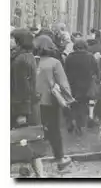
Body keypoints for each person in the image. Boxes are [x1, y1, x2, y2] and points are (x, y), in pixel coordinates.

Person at [34, 35, 73, 171]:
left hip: (33, 103)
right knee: (54, 130)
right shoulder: (54, 62)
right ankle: (60, 158)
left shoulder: (32, 61)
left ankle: (33, 161)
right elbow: (63, 83)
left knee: (34, 131)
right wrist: (69, 100)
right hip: (50, 101)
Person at [11, 29, 44, 177]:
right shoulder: (27, 56)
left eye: (12, 38)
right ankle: (39, 175)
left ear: (19, 41)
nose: (9, 41)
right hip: (29, 105)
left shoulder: (20, 60)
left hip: (22, 107)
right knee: (28, 141)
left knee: (23, 140)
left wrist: (21, 113)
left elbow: (22, 88)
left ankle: (31, 174)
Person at [64, 39, 98, 134]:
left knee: (73, 103)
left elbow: (65, 70)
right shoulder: (90, 57)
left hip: (72, 84)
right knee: (83, 104)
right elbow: (96, 70)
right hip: (86, 84)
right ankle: (80, 125)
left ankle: (71, 120)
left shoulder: (69, 57)